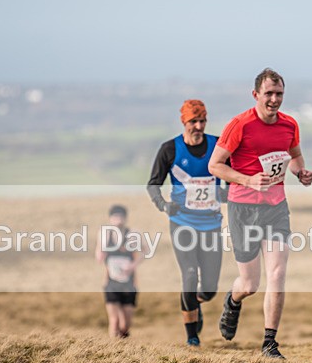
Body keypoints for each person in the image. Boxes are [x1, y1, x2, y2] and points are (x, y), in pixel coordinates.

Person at [208, 68, 312, 359]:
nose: (274, 99)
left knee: (277, 274)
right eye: (269, 93)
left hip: (276, 208)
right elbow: (215, 165)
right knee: (251, 284)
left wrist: (300, 173)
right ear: (256, 94)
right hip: (243, 209)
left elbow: (294, 157)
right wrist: (247, 179)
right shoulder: (239, 125)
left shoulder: (289, 125)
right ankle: (233, 299)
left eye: (279, 94)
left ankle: (269, 343)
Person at [147, 99, 226, 347]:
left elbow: (231, 178)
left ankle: (196, 303)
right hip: (182, 223)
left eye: (202, 120)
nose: (199, 126)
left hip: (211, 224)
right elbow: (153, 184)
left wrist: (227, 194)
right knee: (190, 275)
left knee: (210, 288)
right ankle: (192, 336)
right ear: (184, 122)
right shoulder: (170, 149)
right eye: (193, 121)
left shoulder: (218, 145)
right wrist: (163, 204)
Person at [95, 205, 143, 338]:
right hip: (111, 282)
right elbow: (99, 252)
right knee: (114, 320)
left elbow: (144, 251)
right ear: (110, 219)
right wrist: (100, 254)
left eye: (120, 217)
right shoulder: (105, 234)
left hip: (128, 283)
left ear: (125, 218)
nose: (118, 220)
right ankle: (114, 351)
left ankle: (123, 341)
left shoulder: (133, 234)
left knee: (126, 324)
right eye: (115, 217)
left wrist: (133, 265)